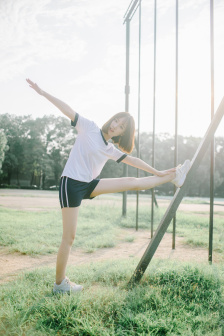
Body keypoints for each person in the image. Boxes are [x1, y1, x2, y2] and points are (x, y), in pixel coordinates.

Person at [26, 78, 191, 294]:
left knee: (133, 182)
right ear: (111, 119)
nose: (115, 126)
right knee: (69, 237)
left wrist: (159, 171)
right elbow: (67, 109)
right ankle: (59, 285)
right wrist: (43, 92)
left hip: (89, 184)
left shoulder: (110, 148)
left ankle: (173, 177)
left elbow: (134, 161)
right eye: (116, 121)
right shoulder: (89, 127)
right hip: (71, 184)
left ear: (122, 132)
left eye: (121, 126)